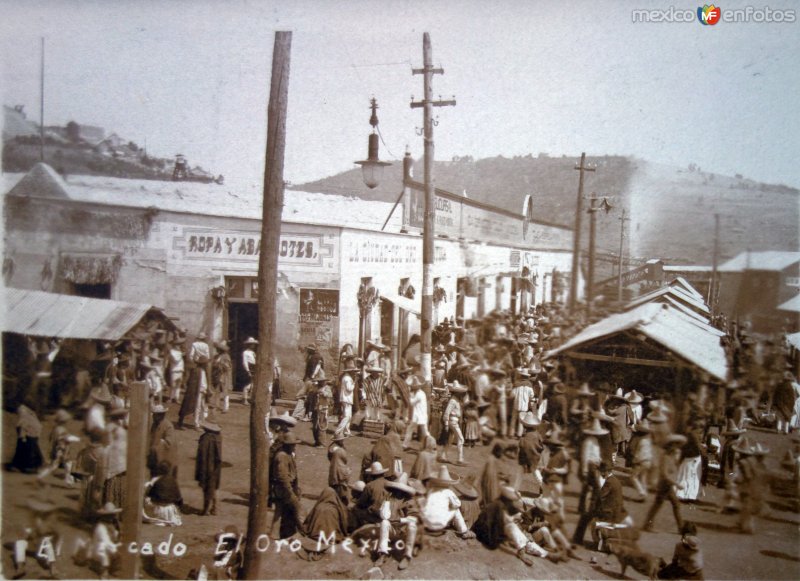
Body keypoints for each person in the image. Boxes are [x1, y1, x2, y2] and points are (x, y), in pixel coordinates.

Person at [643, 434, 687, 533]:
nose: (677, 447)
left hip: (668, 485)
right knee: (662, 505)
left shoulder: (672, 456)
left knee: (666, 505)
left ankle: (648, 524)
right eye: (675, 445)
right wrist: (677, 484)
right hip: (664, 485)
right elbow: (665, 474)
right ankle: (680, 527)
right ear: (670, 445)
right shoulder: (666, 457)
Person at [419, 465, 476, 539]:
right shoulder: (448, 492)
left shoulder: (431, 491)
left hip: (426, 523)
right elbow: (457, 504)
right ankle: (463, 530)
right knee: (455, 510)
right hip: (439, 525)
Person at [592, 462, 633, 549]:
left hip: (610, 512)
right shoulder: (615, 480)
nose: (601, 474)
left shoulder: (609, 482)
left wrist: (598, 482)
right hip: (617, 510)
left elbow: (601, 495)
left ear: (605, 471)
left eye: (602, 472)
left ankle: (601, 545)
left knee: (593, 521)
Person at [270, 432, 303, 538]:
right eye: (293, 444)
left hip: (284, 487)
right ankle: (301, 532)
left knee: (279, 512)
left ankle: (274, 534)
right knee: (297, 509)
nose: (294, 446)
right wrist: (290, 491)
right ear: (288, 445)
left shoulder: (287, 455)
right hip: (283, 488)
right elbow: (282, 476)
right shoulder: (282, 456)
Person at [38, 408, 79, 485]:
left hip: (59, 449)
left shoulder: (56, 429)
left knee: (64, 465)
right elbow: (64, 438)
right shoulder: (61, 429)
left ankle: (68, 480)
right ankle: (41, 476)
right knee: (62, 465)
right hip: (61, 450)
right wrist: (75, 439)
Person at [179, 332, 211, 429]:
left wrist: (196, 360)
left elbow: (191, 356)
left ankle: (199, 421)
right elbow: (207, 357)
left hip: (197, 370)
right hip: (199, 388)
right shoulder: (206, 346)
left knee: (200, 405)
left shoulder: (194, 345)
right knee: (198, 405)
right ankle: (197, 423)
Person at [352, 461, 391, 528]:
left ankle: (355, 529)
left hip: (374, 516)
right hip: (388, 514)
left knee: (355, 509)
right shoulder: (389, 484)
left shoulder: (370, 486)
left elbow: (361, 503)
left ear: (372, 475)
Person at [144, 460, 183, 526]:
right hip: (170, 510)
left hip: (157, 510)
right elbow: (179, 498)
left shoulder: (156, 480)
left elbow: (149, 494)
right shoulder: (173, 481)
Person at [195, 420, 222, 516]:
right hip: (215, 467)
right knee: (214, 487)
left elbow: (202, 455)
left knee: (206, 488)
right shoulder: (218, 437)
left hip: (206, 466)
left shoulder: (206, 439)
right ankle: (215, 508)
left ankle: (206, 509)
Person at [438, 381, 468, 466]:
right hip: (452, 421)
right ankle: (460, 459)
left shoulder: (456, 400)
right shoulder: (453, 400)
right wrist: (446, 424)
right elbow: (447, 412)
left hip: (453, 420)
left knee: (450, 439)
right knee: (461, 438)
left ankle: (443, 456)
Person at [10, 404, 44, 473]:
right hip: (29, 436)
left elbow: (22, 426)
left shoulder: (28, 416)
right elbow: (22, 426)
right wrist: (22, 436)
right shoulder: (29, 416)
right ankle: (27, 467)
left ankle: (28, 466)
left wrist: (22, 436)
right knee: (28, 451)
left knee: (29, 451)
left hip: (30, 436)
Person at [148, 403, 178, 477]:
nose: (153, 416)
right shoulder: (154, 424)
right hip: (155, 457)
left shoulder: (168, 426)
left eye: (155, 414)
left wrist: (158, 445)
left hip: (165, 458)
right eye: (153, 414)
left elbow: (169, 442)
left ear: (161, 415)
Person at [403, 375, 429, 450]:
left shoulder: (419, 394)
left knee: (424, 432)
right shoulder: (421, 393)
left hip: (418, 415)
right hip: (420, 414)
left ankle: (428, 445)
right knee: (423, 431)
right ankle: (406, 445)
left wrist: (409, 395)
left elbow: (411, 403)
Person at [328, 433, 351, 503]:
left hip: (333, 468)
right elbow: (345, 459)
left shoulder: (331, 448)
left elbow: (329, 457)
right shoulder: (340, 450)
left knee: (334, 483)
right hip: (340, 469)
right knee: (341, 486)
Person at [336, 364, 357, 437]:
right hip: (346, 398)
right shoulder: (348, 378)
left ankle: (346, 431)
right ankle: (338, 431)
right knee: (347, 416)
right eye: (354, 371)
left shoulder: (346, 377)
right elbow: (349, 388)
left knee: (348, 416)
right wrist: (354, 383)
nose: (354, 373)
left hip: (346, 398)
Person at [212, 341, 233, 413]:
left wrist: (222, 365)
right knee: (217, 390)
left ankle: (226, 407)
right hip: (217, 375)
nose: (218, 349)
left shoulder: (226, 356)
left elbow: (228, 367)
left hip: (224, 375)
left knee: (225, 391)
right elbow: (213, 364)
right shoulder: (216, 356)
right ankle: (216, 405)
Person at [166, 336, 186, 403]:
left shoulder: (180, 352)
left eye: (179, 344)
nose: (179, 346)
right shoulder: (172, 352)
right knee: (173, 385)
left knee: (178, 385)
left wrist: (182, 354)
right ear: (174, 345)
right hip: (174, 370)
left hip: (180, 369)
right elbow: (175, 360)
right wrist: (181, 355)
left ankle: (177, 398)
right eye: (177, 344)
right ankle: (171, 397)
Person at [241, 337, 258, 406]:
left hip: (254, 368)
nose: (253, 346)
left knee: (253, 384)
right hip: (249, 368)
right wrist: (247, 370)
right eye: (252, 344)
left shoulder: (253, 353)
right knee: (247, 385)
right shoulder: (245, 352)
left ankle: (251, 398)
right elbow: (245, 362)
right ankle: (244, 399)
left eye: (254, 344)